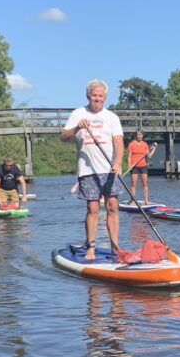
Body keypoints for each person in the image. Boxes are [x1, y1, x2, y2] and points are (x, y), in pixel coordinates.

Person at [60, 79, 124, 261]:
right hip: (87, 170)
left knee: (112, 207)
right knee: (93, 208)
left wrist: (118, 162)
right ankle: (91, 248)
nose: (97, 99)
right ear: (88, 96)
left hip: (110, 170)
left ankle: (115, 247)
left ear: (105, 97)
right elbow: (63, 137)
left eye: (100, 96)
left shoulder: (112, 117)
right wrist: (76, 127)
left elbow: (119, 142)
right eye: (94, 95)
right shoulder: (78, 113)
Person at [127, 129, 153, 205]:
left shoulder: (145, 144)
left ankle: (146, 200)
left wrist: (154, 148)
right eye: (138, 134)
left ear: (142, 135)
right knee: (133, 183)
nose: (140, 136)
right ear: (136, 135)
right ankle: (132, 200)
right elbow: (129, 156)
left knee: (145, 183)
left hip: (143, 166)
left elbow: (149, 155)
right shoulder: (131, 144)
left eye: (141, 135)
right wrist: (129, 165)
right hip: (134, 166)